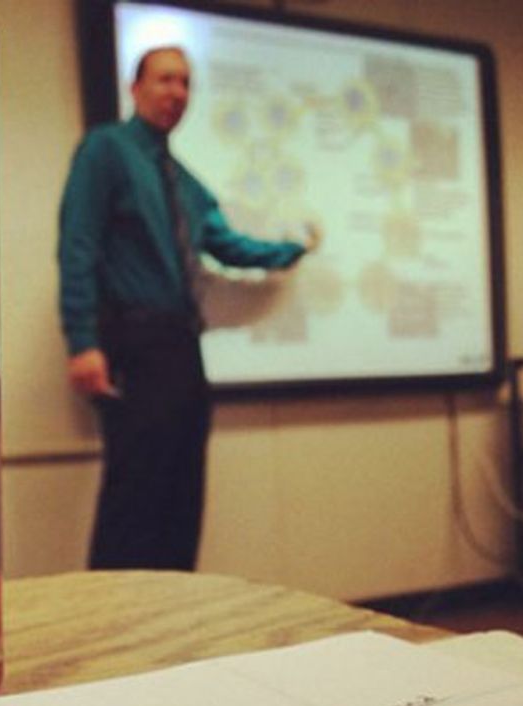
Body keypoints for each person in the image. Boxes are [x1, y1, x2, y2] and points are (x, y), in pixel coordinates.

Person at [57, 45, 319, 571]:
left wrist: (292, 249)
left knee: (182, 492)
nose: (176, 92)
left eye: (185, 82)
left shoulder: (187, 183)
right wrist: (82, 342)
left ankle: (176, 610)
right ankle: (116, 615)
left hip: (182, 345)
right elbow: (78, 244)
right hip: (133, 341)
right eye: (165, 79)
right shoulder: (105, 150)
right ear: (135, 88)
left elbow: (229, 244)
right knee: (135, 492)